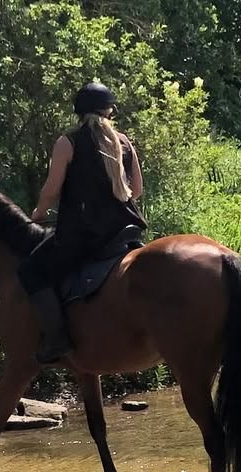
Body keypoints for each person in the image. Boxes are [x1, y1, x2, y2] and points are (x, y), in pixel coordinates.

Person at [19, 80, 147, 363]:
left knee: (31, 270)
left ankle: (56, 339)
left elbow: (52, 190)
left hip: (85, 237)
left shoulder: (69, 142)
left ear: (80, 112)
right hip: (125, 234)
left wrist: (37, 215)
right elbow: (136, 191)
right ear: (109, 111)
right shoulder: (124, 141)